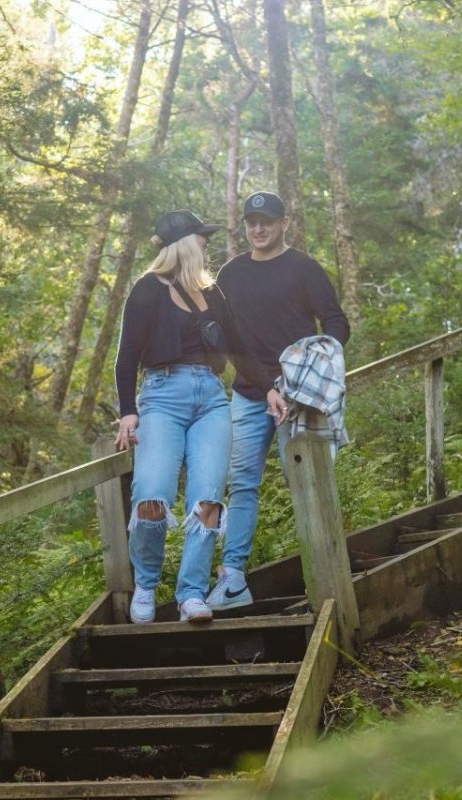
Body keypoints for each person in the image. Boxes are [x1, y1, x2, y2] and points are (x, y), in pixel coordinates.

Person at [113, 210, 271, 624]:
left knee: (207, 500)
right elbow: (126, 356)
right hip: (163, 397)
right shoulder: (147, 290)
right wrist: (128, 412)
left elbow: (238, 349)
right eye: (202, 237)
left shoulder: (212, 292)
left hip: (211, 400)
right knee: (151, 493)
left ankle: (191, 595)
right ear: (184, 243)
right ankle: (146, 585)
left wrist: (270, 387)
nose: (206, 244)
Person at [206, 191, 351, 612]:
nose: (258, 228)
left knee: (306, 481)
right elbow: (228, 341)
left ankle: (323, 575)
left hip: (301, 398)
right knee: (242, 483)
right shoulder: (229, 275)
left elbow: (337, 323)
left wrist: (311, 367)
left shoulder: (304, 268)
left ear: (284, 222)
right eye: (251, 221)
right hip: (251, 395)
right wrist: (267, 383)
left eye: (267, 220)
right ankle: (233, 581)